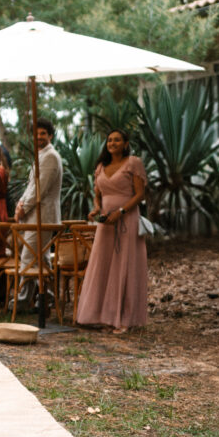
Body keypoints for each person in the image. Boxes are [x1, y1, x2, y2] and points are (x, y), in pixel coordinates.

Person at [76, 129, 148, 334]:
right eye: (109, 140)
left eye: (117, 140)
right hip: (105, 223)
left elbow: (140, 194)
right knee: (104, 265)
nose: (112, 143)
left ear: (126, 144)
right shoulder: (101, 166)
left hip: (127, 220)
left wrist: (121, 211)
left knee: (124, 265)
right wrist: (97, 209)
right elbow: (98, 195)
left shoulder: (133, 163)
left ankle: (124, 318)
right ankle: (103, 315)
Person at [13, 118, 62, 304]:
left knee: (29, 258)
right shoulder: (41, 155)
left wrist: (24, 208)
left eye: (43, 133)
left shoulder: (50, 156)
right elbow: (31, 186)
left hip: (43, 214)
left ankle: (23, 300)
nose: (39, 137)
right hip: (35, 213)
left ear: (50, 135)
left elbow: (39, 189)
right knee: (40, 258)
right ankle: (46, 298)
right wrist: (20, 203)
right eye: (36, 133)